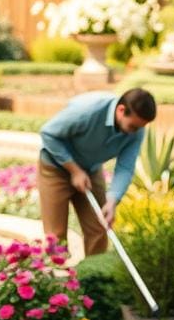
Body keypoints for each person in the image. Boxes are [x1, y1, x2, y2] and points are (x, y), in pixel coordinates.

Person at [38, 88, 156, 255]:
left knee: (99, 227)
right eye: (133, 126)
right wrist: (74, 170)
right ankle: (59, 279)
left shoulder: (137, 130)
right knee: (56, 235)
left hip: (91, 170)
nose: (135, 131)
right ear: (121, 110)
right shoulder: (87, 110)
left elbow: (125, 167)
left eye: (140, 127)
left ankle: (93, 279)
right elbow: (48, 133)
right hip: (55, 167)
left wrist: (113, 200)